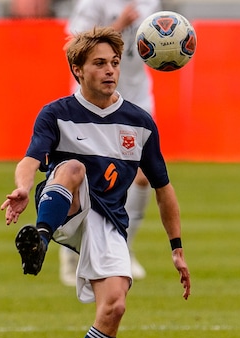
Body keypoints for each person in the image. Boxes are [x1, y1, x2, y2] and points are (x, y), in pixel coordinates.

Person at [0, 27, 191, 338]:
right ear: (77, 69)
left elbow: (163, 189)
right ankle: (40, 238)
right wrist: (21, 187)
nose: (110, 71)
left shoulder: (139, 123)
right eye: (99, 63)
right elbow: (31, 160)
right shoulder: (56, 113)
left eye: (115, 63)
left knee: (115, 305)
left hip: (108, 221)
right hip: (63, 204)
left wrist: (176, 247)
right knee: (70, 167)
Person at [59, 0, 162, 286]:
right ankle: (72, 255)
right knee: (84, 178)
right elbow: (71, 48)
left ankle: (123, 248)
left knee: (142, 177)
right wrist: (115, 29)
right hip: (91, 100)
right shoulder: (94, 2)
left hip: (136, 98)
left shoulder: (149, 2)